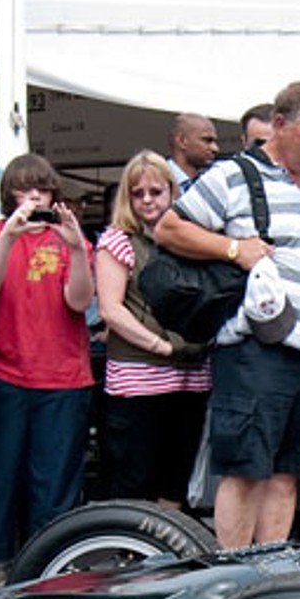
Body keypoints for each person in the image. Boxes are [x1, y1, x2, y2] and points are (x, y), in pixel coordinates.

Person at [157, 81, 300, 549]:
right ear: (280, 125)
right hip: (258, 348)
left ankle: (269, 572)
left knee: (288, 473)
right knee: (247, 466)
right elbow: (170, 228)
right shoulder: (234, 174)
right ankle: (235, 571)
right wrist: (235, 248)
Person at [0, 154, 95, 588]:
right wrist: (9, 233)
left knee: (54, 479)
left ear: (55, 194)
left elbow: (79, 301)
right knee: (2, 473)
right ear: (9, 195)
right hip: (8, 371)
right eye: (25, 189)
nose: (34, 196)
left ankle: (51, 561)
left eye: (42, 188)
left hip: (63, 375)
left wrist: (76, 247)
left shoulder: (70, 239)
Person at [95, 150, 210, 508]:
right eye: (138, 193)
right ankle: (131, 556)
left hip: (191, 376)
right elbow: (111, 310)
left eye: (156, 192)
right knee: (134, 478)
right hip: (139, 378)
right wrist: (160, 346)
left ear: (172, 192)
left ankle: (168, 554)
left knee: (176, 479)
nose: (147, 200)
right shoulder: (117, 241)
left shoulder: (194, 237)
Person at [166, 113, 221, 194]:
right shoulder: (156, 178)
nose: (215, 148)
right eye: (207, 140)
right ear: (182, 141)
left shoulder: (212, 182)